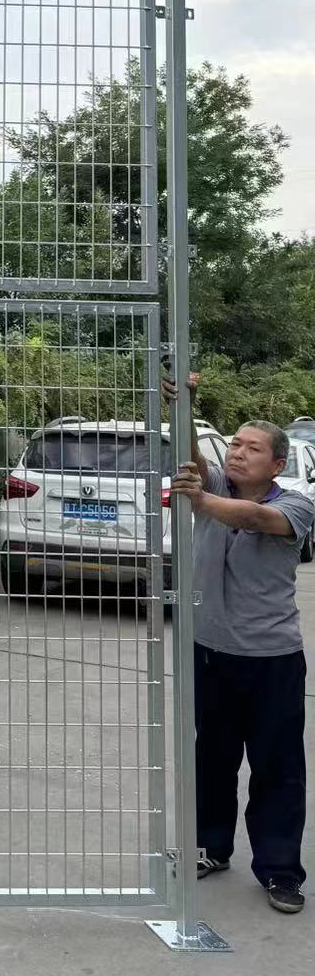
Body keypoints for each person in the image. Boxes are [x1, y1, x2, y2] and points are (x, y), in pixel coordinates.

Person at [166, 378, 313, 914]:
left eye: (253, 448)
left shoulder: (295, 506)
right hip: (211, 652)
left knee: (277, 767)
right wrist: (181, 404)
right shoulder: (215, 487)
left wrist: (200, 499)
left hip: (272, 659)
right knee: (213, 757)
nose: (238, 452)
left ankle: (280, 870)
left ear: (277, 465)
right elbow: (190, 457)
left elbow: (253, 518)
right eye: (235, 444)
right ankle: (211, 847)